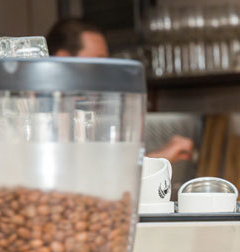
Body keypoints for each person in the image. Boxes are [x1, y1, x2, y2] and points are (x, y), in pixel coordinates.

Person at [45, 18, 194, 164]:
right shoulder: (46, 117)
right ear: (62, 58)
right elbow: (97, 180)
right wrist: (159, 159)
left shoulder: (86, 113)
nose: (105, 70)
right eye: (98, 60)